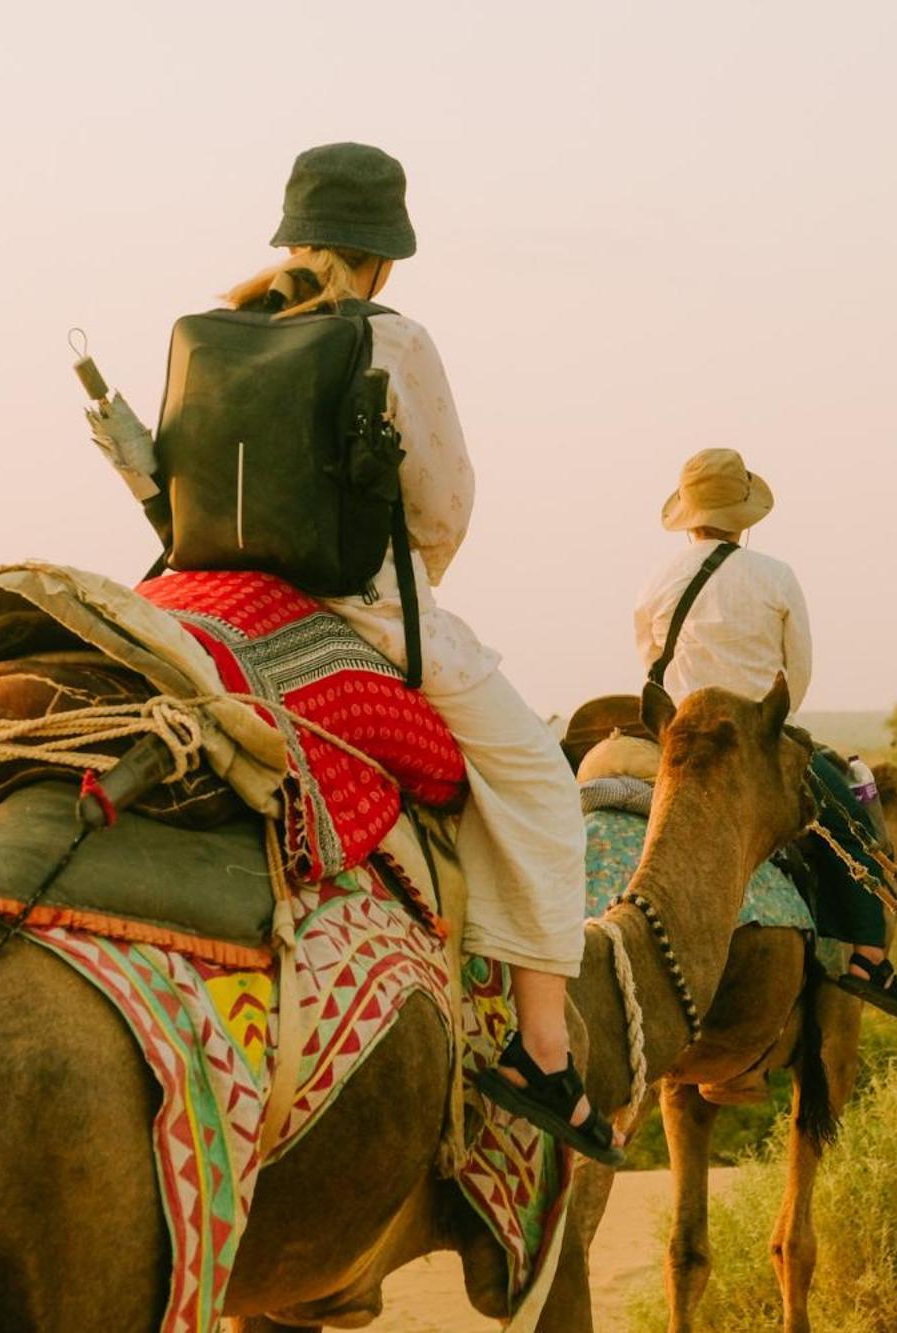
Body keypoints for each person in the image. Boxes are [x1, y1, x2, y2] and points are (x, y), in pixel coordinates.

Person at [88, 143, 618, 1165]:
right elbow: (442, 503)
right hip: (359, 614)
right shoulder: (390, 338)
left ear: (292, 232)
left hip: (198, 597)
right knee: (537, 783)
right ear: (383, 256)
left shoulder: (210, 333)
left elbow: (179, 486)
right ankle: (542, 1050)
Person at [632, 448, 897, 1020]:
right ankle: (867, 954)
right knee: (850, 818)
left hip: (679, 739)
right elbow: (799, 672)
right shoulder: (774, 576)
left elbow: (649, 664)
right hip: (753, 738)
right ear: (746, 515)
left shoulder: (656, 582)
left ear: (687, 515)